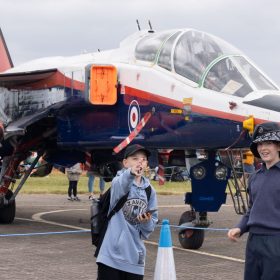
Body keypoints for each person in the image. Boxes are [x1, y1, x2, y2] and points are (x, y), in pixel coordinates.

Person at [96, 144, 158, 280]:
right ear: (125, 163)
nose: (140, 162)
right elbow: (123, 183)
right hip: (111, 256)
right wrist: (130, 173)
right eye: (135, 158)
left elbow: (148, 229)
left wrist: (146, 222)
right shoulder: (118, 182)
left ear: (147, 163)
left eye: (143, 159)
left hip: (135, 258)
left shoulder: (150, 191)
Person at [228, 122, 280, 279]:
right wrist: (240, 228)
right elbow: (252, 209)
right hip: (253, 242)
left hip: (276, 242)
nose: (263, 148)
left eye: (268, 143)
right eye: (260, 144)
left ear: (278, 146)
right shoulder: (255, 177)